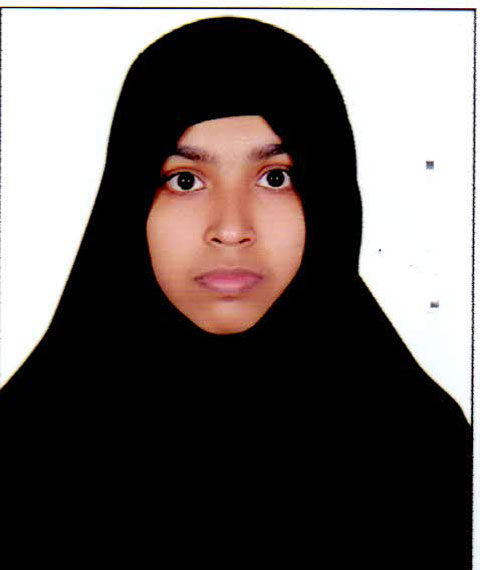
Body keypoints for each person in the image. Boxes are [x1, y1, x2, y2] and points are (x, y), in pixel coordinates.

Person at [0, 16, 471, 566]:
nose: (230, 228)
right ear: (129, 204)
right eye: (185, 180)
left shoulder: (421, 450)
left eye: (276, 177)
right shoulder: (25, 449)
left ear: (329, 202)